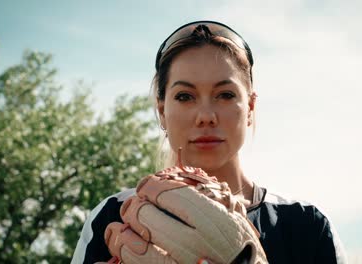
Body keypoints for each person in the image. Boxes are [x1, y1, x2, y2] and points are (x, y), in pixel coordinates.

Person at [71, 20, 347, 264]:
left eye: (225, 95)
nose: (206, 116)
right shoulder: (114, 217)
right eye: (184, 96)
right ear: (162, 111)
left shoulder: (306, 225)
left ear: (250, 108)